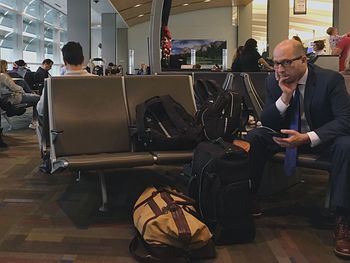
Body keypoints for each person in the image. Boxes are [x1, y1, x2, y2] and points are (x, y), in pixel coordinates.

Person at [246, 39, 350, 258]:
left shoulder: (329, 80)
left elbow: (345, 121)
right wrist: (285, 96)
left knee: (347, 145)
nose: (279, 69)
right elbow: (267, 120)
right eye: (275, 63)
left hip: (320, 140)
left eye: (285, 63)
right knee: (256, 136)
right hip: (286, 137)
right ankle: (248, 198)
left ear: (303, 59)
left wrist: (306, 138)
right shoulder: (274, 81)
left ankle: (343, 220)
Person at [37, 41, 94, 116]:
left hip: (61, 126)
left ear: (64, 61)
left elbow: (41, 110)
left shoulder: (51, 83)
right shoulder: (98, 81)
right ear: (83, 59)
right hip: (93, 124)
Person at [0, 60, 40, 130]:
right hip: (12, 98)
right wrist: (22, 90)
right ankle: (34, 121)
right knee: (39, 98)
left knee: (32, 96)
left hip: (4, 99)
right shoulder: (3, 76)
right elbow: (14, 87)